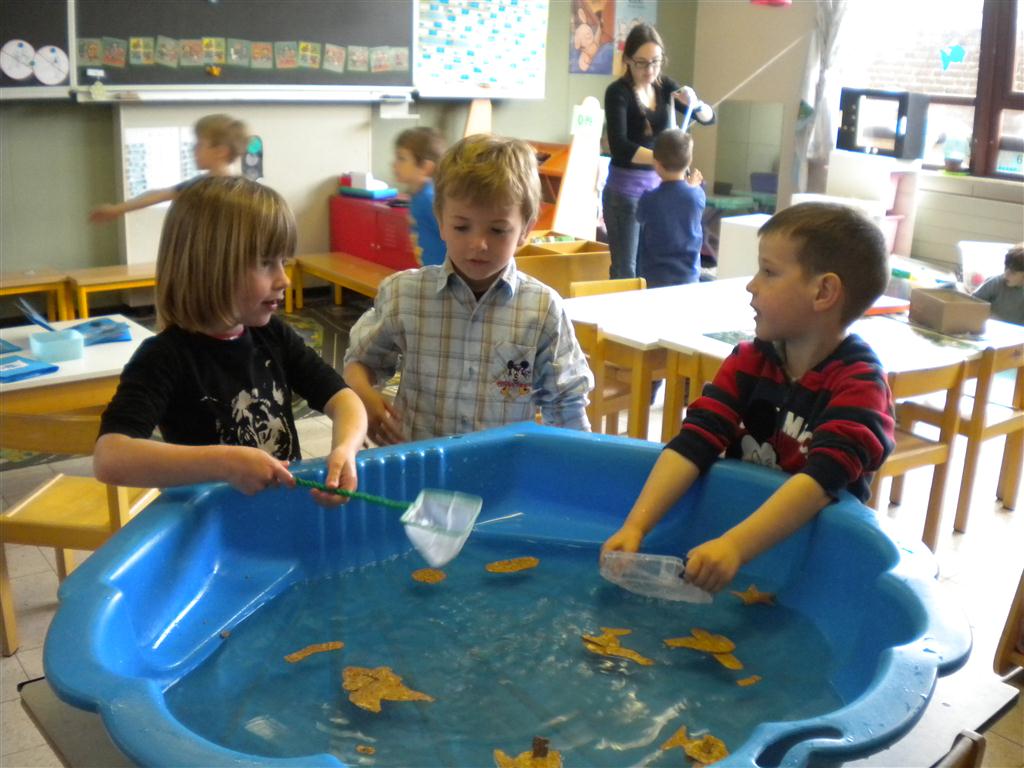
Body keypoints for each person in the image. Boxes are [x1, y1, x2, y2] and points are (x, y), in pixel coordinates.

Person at [602, 203, 896, 592]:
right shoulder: (749, 360)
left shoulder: (859, 384)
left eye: (769, 272)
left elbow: (820, 481)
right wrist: (636, 525)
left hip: (813, 568)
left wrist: (735, 547)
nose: (751, 284)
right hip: (742, 550)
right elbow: (695, 441)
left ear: (824, 291)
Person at [93, 176, 367, 506]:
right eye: (266, 263)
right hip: (213, 529)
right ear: (211, 266)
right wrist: (224, 463)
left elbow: (343, 399)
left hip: (276, 512)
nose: (284, 279)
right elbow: (110, 458)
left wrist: (345, 449)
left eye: (285, 261)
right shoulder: (165, 357)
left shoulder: (272, 335)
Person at [343, 134, 594, 445]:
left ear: (526, 230)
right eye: (462, 227)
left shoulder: (543, 309)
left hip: (503, 474)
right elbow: (360, 361)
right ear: (441, 221)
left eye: (498, 230)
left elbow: (567, 403)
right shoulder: (404, 294)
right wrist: (366, 396)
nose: (479, 244)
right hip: (420, 467)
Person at [603, 23, 714, 279]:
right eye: (642, 63)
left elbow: (709, 118)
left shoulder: (665, 87)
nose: (650, 70)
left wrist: (695, 103)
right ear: (628, 60)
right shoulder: (617, 93)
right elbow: (620, 148)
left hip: (659, 190)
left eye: (656, 62)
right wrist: (668, 159)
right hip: (625, 195)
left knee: (650, 266)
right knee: (627, 270)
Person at [89, 114, 248, 223]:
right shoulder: (199, 185)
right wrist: (117, 209)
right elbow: (157, 194)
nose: (193, 149)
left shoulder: (242, 191)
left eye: (199, 144)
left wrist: (117, 210)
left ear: (221, 151)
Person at [636, 129, 705, 288]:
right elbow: (689, 199)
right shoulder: (697, 196)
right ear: (689, 162)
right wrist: (692, 185)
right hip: (688, 275)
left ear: (656, 164)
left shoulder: (649, 198)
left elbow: (640, 216)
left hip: (654, 275)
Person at [393, 126, 447, 267]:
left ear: (426, 167)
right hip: (429, 270)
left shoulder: (430, 200)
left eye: (401, 158)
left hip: (444, 275)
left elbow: (455, 239)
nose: (394, 164)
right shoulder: (416, 195)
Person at [972, 243, 1024, 326]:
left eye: (1013, 273)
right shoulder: (995, 282)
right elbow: (971, 303)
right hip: (989, 327)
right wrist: (988, 315)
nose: (1006, 274)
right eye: (1006, 268)